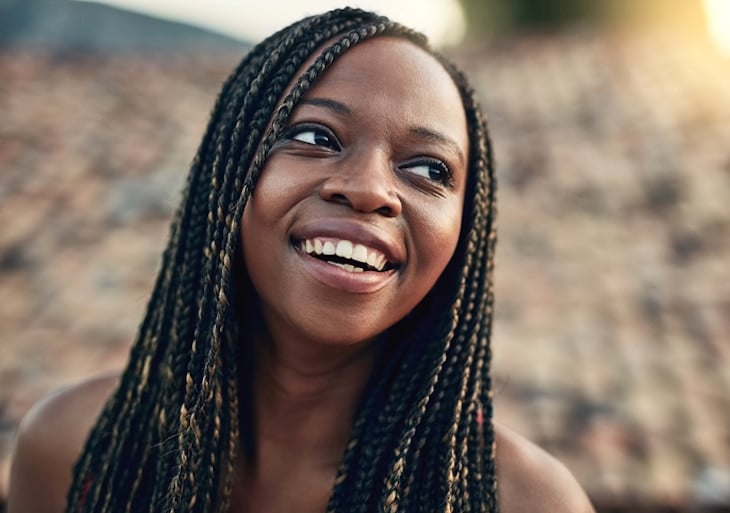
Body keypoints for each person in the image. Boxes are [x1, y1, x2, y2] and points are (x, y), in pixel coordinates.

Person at [7, 7, 595, 513]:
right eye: (316, 137)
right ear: (228, 173)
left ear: (466, 231)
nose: (369, 190)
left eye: (428, 169)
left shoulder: (524, 500)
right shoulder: (71, 449)